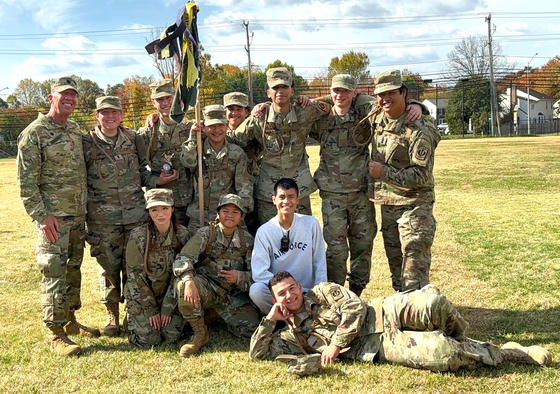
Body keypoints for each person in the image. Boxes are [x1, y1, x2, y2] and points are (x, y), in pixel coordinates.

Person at [249, 271, 552, 376]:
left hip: (384, 312)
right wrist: (268, 320)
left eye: (291, 289)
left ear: (299, 287)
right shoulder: (289, 336)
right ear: (276, 300)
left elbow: (354, 307)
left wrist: (335, 344)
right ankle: (509, 352)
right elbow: (256, 356)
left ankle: (463, 337)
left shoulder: (324, 290)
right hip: (378, 345)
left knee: (433, 301)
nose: (289, 296)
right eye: (281, 294)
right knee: (441, 353)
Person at [309, 74, 427, 296]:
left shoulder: (366, 114)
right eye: (335, 90)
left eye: (346, 91)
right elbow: (292, 110)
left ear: (355, 93)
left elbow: (391, 105)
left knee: (362, 247)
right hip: (332, 194)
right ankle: (336, 297)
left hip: (362, 192)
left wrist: (415, 104)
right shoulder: (321, 115)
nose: (339, 95)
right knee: (335, 250)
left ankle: (356, 292)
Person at [17, 76, 98, 356]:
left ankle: (71, 320)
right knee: (54, 271)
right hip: (52, 220)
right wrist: (41, 216)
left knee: (72, 271)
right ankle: (55, 333)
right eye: (63, 94)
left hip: (76, 217)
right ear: (51, 96)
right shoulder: (35, 133)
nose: (69, 99)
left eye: (73, 95)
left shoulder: (75, 130)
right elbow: (26, 182)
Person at [368, 69, 441, 292]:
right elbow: (345, 98)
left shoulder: (421, 129)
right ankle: (403, 312)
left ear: (403, 92)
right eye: (380, 94)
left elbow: (421, 175)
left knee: (414, 266)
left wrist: (383, 173)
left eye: (391, 92)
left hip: (414, 205)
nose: (385, 98)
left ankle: (419, 316)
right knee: (396, 267)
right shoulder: (377, 116)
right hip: (389, 204)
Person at [229, 67, 331, 226]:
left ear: (292, 91)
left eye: (285, 87)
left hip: (299, 190)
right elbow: (235, 139)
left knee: (302, 234)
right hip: (269, 192)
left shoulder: (305, 111)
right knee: (271, 235)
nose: (280, 91)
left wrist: (311, 100)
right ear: (268, 92)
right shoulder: (259, 118)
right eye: (275, 87)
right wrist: (203, 129)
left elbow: (338, 99)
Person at [83, 96, 147, 337]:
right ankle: (112, 315)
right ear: (97, 115)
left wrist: (158, 181)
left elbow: (143, 170)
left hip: (134, 214)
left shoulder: (133, 138)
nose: (109, 117)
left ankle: (133, 311)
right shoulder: (87, 142)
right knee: (108, 266)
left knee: (134, 265)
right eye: (104, 112)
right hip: (102, 218)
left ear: (121, 115)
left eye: (114, 112)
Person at [174, 194, 260, 357]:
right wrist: (188, 279)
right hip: (207, 289)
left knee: (251, 329)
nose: (230, 215)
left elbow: (257, 274)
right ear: (217, 214)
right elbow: (184, 257)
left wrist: (239, 276)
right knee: (182, 285)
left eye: (235, 212)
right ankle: (200, 333)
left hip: (232, 295)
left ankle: (216, 316)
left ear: (241, 217)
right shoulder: (206, 234)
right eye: (225, 211)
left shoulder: (247, 240)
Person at [249, 178, 327, 314]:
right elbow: (259, 273)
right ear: (274, 200)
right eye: (282, 197)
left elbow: (319, 261)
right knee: (256, 291)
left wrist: (319, 291)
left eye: (291, 197)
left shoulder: (311, 224)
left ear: (298, 199)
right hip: (280, 294)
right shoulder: (264, 231)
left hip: (306, 291)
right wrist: (286, 290)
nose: (286, 202)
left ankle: (309, 314)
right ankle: (281, 320)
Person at [124, 188, 188, 347]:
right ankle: (132, 320)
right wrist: (151, 310)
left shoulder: (182, 234)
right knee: (149, 341)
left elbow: (181, 275)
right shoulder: (138, 236)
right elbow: (135, 276)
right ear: (148, 212)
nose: (160, 214)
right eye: (154, 209)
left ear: (172, 209)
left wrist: (167, 308)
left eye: (165, 208)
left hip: (170, 296)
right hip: (143, 295)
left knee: (171, 336)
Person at [180, 104, 253, 235]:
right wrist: (193, 138)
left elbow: (244, 188)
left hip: (227, 218)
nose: (216, 130)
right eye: (211, 126)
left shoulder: (236, 153)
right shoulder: (197, 149)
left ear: (226, 125)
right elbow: (188, 162)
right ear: (204, 127)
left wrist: (239, 216)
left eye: (220, 125)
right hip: (199, 216)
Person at [137, 79, 193, 226]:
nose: (165, 103)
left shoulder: (191, 129)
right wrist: (156, 181)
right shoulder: (146, 134)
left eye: (169, 97)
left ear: (176, 98)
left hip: (192, 201)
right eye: (159, 99)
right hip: (160, 203)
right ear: (152, 102)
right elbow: (136, 168)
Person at [224, 92, 260, 236]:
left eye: (239, 109)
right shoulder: (217, 131)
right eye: (230, 109)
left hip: (254, 191)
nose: (234, 113)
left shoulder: (255, 129)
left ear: (247, 111)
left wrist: (267, 105)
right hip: (226, 192)